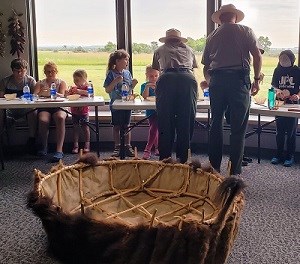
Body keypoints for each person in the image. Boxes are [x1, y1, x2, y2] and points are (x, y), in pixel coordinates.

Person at [201, 4, 262, 175]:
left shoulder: (211, 36)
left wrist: (210, 81)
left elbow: (206, 66)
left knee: (216, 123)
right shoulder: (245, 30)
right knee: (238, 127)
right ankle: (234, 170)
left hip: (217, 81)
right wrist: (256, 80)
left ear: (220, 19)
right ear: (235, 17)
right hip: (238, 80)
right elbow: (257, 55)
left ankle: (214, 168)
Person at [152, 28, 198, 163]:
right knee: (186, 118)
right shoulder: (189, 50)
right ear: (179, 39)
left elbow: (156, 68)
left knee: (165, 119)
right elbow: (192, 68)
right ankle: (183, 158)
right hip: (188, 79)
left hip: (167, 78)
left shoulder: (159, 50)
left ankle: (165, 157)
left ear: (166, 39)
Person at [103, 49, 138, 157]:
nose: (127, 62)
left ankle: (128, 146)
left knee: (127, 125)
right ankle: (117, 147)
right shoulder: (111, 74)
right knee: (117, 126)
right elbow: (107, 90)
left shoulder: (127, 73)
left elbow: (128, 89)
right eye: (125, 60)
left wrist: (133, 84)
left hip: (126, 104)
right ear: (118, 61)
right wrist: (115, 81)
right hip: (116, 104)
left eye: (127, 60)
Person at [270, 50, 300, 167]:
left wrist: (297, 96)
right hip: (280, 104)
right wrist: (278, 92)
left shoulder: (297, 71)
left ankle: (290, 155)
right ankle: (278, 154)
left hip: (293, 105)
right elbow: (273, 86)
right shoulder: (277, 70)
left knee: (291, 132)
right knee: (280, 132)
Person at [0, 58, 37, 151]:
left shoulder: (30, 81)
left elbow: (35, 96)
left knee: (33, 111)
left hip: (25, 108)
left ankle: (32, 139)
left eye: (22, 71)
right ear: (12, 70)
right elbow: (1, 97)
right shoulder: (5, 81)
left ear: (26, 70)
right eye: (17, 71)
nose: (20, 73)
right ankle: (1, 139)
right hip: (9, 109)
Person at [34, 61, 68, 162]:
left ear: (56, 71)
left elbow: (63, 96)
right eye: (48, 71)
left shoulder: (61, 82)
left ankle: (59, 150)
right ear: (44, 72)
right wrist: (41, 92)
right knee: (43, 120)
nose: (50, 73)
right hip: (44, 107)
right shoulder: (40, 83)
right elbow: (34, 96)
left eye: (53, 71)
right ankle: (44, 146)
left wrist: (54, 92)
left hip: (59, 106)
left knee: (60, 117)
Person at [67, 69, 91, 154]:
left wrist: (79, 91)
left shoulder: (87, 87)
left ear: (84, 79)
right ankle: (75, 145)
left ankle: (87, 144)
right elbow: (68, 96)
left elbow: (90, 94)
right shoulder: (74, 88)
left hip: (83, 112)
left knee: (85, 128)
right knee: (75, 128)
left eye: (77, 80)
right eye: (74, 80)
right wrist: (69, 92)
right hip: (75, 111)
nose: (76, 82)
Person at [140, 65, 160, 160]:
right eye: (151, 76)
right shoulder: (144, 85)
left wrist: (157, 88)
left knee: (154, 128)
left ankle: (147, 149)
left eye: (156, 76)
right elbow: (144, 96)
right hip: (150, 110)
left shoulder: (160, 84)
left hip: (159, 110)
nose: (154, 78)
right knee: (153, 128)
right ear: (147, 76)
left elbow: (161, 96)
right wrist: (148, 87)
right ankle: (156, 147)